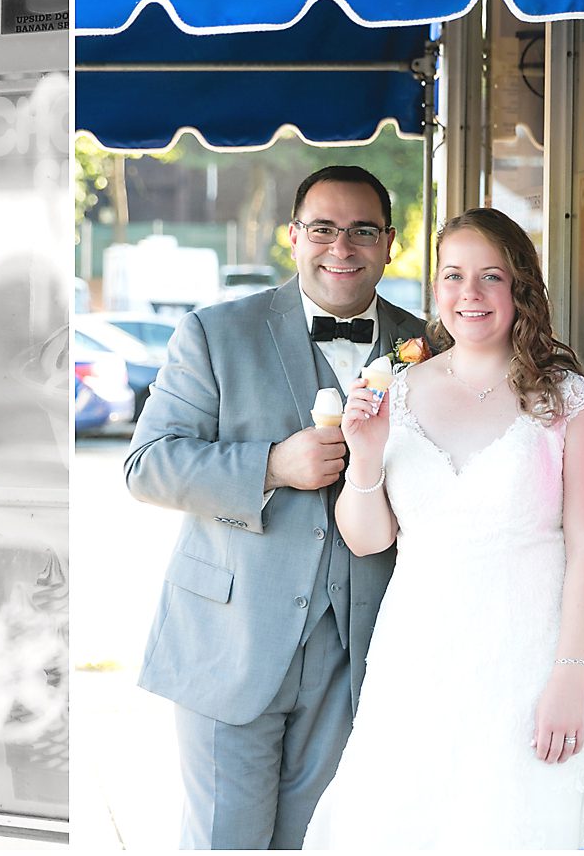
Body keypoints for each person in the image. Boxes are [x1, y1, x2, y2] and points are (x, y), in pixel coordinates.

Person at [125, 165, 425, 848]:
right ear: (293, 236)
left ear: (389, 243)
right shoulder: (215, 332)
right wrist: (270, 465)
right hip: (228, 641)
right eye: (322, 229)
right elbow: (147, 465)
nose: (341, 248)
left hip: (356, 655)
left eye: (362, 232)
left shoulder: (428, 348)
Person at [305, 208, 584, 848]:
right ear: (436, 288)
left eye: (490, 277)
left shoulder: (572, 404)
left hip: (525, 664)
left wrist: (570, 675)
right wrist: (365, 454)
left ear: (520, 288)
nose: (468, 294)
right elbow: (370, 539)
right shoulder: (396, 387)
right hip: (415, 659)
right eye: (452, 276)